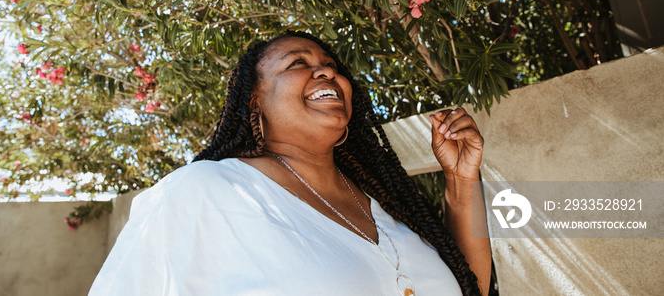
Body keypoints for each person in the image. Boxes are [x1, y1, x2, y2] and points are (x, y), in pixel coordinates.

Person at [89, 31, 491, 296]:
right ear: (254, 102)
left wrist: (460, 180)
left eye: (332, 65)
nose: (326, 70)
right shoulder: (205, 190)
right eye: (297, 63)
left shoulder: (387, 206)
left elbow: (470, 287)